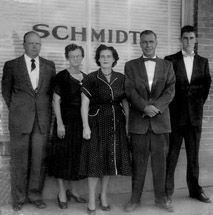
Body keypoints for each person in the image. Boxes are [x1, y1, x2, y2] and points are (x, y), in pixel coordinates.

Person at [1, 31, 56, 211]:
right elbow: (6, 92)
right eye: (31, 43)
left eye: (38, 44)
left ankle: (35, 195)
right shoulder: (12, 65)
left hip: (41, 120)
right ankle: (18, 198)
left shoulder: (49, 66)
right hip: (20, 121)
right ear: (24, 44)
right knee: (20, 161)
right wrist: (18, 110)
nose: (35, 46)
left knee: (38, 161)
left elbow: (50, 94)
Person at [124, 30, 175, 213]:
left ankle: (161, 200)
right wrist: (144, 107)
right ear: (140, 43)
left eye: (151, 41)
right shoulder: (130, 66)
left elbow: (170, 91)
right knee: (138, 164)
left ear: (156, 42)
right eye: (144, 42)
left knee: (160, 164)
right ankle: (134, 200)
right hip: (139, 122)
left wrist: (156, 107)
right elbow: (129, 90)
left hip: (161, 123)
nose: (148, 45)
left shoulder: (167, 65)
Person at [80, 44, 131, 215]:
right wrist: (86, 126)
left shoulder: (121, 78)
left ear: (114, 58)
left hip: (116, 122)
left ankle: (103, 197)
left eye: (109, 56)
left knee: (109, 160)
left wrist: (128, 123)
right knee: (95, 161)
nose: (105, 59)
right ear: (98, 59)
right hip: (96, 123)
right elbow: (84, 104)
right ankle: (92, 200)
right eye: (102, 56)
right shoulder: (91, 78)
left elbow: (125, 102)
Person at [165, 25, 212, 204]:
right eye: (185, 38)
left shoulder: (203, 61)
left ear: (196, 40)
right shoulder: (170, 60)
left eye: (192, 38)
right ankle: (166, 193)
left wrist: (196, 105)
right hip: (175, 117)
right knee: (172, 155)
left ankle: (195, 190)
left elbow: (206, 86)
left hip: (194, 117)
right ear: (180, 40)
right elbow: (167, 87)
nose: (188, 41)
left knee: (193, 156)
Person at [48, 44, 87, 209]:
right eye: (72, 56)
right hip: (64, 123)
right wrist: (60, 124)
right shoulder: (61, 77)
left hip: (80, 124)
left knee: (77, 159)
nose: (75, 59)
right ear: (67, 58)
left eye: (78, 56)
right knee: (62, 159)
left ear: (82, 57)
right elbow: (55, 101)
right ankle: (62, 193)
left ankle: (74, 191)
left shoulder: (86, 77)